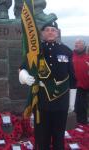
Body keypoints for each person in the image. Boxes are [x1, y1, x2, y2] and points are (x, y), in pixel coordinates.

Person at [19, 22, 76, 150]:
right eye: (47, 30)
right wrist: (24, 76)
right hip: (42, 100)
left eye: (53, 30)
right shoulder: (35, 51)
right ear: (42, 33)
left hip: (61, 100)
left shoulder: (66, 50)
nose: (50, 32)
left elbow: (72, 77)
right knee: (42, 135)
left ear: (57, 33)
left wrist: (72, 101)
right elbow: (22, 68)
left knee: (58, 134)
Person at [73, 39, 89, 124]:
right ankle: (72, 124)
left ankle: (83, 125)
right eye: (75, 43)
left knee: (83, 106)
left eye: (78, 43)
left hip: (84, 87)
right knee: (73, 106)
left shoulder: (87, 58)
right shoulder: (70, 56)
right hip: (72, 87)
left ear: (83, 45)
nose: (76, 44)